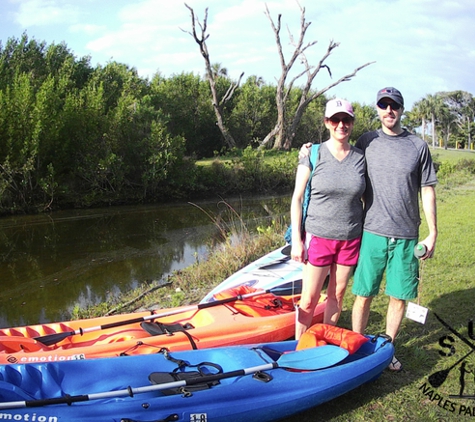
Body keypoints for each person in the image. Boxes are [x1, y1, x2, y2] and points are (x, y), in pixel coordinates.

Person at [300, 87, 438, 372]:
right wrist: (307, 151)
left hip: (406, 234)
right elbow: (336, 150)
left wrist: (433, 231)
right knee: (363, 294)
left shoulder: (418, 146)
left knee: (398, 296)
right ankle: (357, 345)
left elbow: (427, 189)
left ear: (401, 109)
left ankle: (386, 350)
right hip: (371, 231)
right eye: (383, 105)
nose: (389, 110)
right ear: (377, 109)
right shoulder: (367, 141)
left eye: (394, 105)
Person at [290, 98, 366, 340]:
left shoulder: (361, 158)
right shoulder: (313, 153)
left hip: (350, 238)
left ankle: (325, 341)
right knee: (309, 299)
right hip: (318, 237)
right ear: (326, 123)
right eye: (335, 120)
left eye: (346, 120)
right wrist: (297, 241)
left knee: (338, 295)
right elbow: (297, 198)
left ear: (352, 123)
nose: (341, 125)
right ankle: (299, 348)